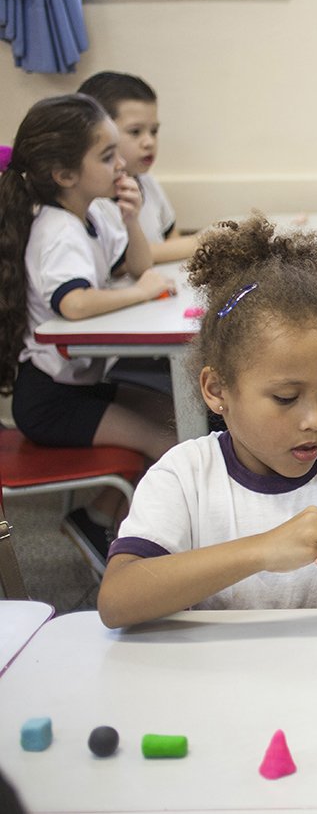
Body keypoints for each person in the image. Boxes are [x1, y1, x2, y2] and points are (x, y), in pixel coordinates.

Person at [97, 215, 317, 628]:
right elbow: (117, 601)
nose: (315, 419)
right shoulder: (186, 475)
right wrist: (264, 549)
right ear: (217, 390)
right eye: (285, 398)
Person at [0, 94, 177, 565]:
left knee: (182, 419)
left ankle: (100, 517)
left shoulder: (94, 211)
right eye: (106, 156)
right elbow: (74, 304)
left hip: (82, 384)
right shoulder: (56, 230)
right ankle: (117, 537)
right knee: (171, 444)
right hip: (52, 400)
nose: (121, 163)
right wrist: (141, 294)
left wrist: (133, 218)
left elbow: (137, 265)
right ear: (64, 176)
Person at [77, 72, 200, 263]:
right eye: (135, 132)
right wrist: (201, 242)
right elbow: (124, 261)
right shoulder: (92, 202)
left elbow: (171, 238)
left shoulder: (147, 182)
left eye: (154, 131)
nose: (149, 142)